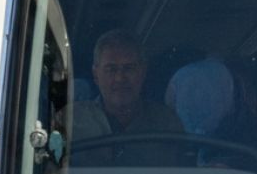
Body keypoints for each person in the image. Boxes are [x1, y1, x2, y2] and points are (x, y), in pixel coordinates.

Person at [73, 29, 183, 165]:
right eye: (111, 69)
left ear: (143, 72)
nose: (120, 78)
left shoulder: (167, 124)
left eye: (129, 68)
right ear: (96, 75)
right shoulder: (71, 121)